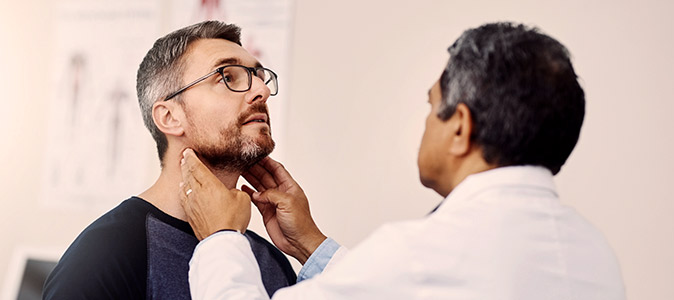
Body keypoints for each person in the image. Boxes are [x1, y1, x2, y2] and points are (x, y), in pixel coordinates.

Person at [178, 22, 626, 299]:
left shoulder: (423, 255)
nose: (257, 90)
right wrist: (313, 246)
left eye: (432, 107)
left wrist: (219, 238)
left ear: (459, 128)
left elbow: (416, 278)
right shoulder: (595, 254)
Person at [43, 21, 297, 299]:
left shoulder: (272, 263)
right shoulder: (103, 256)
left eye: (259, 76)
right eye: (227, 76)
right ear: (169, 117)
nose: (262, 90)